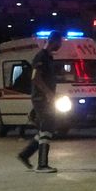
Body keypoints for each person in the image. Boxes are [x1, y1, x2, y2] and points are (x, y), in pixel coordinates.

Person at [17, 31, 62, 173]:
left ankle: (25, 154)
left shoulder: (48, 57)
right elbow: (35, 78)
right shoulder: (41, 57)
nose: (60, 45)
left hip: (45, 98)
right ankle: (42, 165)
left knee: (47, 127)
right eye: (60, 42)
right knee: (47, 127)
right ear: (54, 41)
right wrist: (48, 93)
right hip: (41, 98)